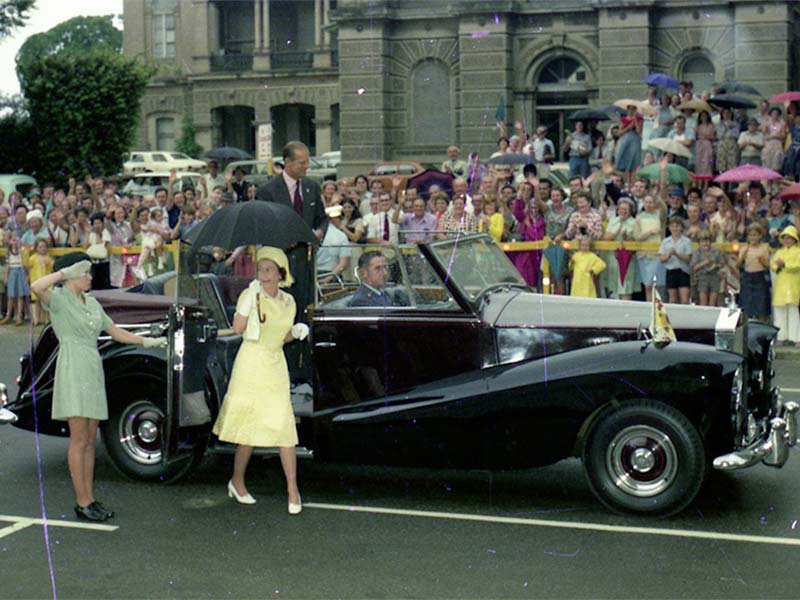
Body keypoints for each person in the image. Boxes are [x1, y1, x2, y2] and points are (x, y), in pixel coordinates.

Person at [30, 252, 167, 522]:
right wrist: (64, 272)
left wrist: (148, 342)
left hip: (92, 367)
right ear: (72, 275)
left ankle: (90, 499)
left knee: (90, 441)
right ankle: (82, 502)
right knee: (79, 440)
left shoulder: (91, 302)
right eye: (85, 272)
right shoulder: (58, 300)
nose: (90, 277)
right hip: (72, 367)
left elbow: (115, 331)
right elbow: (36, 287)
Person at [212, 247, 308, 511]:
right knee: (249, 428)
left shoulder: (289, 301)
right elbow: (238, 329)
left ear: (280, 273)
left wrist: (296, 332)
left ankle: (292, 489)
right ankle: (237, 480)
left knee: (284, 426)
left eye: (268, 270)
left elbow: (283, 336)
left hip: (275, 363)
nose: (263, 275)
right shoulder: (250, 294)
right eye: (259, 270)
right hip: (251, 363)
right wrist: (246, 302)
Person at [770, 225, 800, 346]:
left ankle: (796, 338)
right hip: (780, 285)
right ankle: (781, 337)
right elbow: (773, 266)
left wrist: (784, 264)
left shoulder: (798, 252)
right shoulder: (779, 252)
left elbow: (797, 266)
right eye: (785, 238)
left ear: (795, 239)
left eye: (790, 238)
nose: (787, 240)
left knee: (793, 312)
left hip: (793, 285)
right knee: (780, 312)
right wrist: (778, 266)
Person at [737, 223, 771, 320]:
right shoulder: (744, 248)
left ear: (760, 236)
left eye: (755, 235)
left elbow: (768, 266)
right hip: (747, 278)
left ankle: (762, 330)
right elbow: (738, 265)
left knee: (761, 307)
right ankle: (746, 330)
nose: (753, 238)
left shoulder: (764, 248)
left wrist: (762, 261)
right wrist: (743, 256)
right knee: (746, 307)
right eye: (751, 235)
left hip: (759, 278)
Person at [659, 216, 692, 304]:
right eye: (672, 226)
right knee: (672, 299)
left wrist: (677, 254)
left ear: (681, 227)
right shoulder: (665, 241)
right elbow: (661, 258)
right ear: (669, 228)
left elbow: (688, 258)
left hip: (683, 271)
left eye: (677, 226)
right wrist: (668, 255)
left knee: (685, 299)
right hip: (671, 271)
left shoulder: (686, 241)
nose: (675, 228)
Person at [25, 238, 54, 325]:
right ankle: (36, 319)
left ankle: (47, 319)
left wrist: (48, 264)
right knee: (37, 302)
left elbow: (52, 268)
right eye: (40, 247)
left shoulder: (49, 258)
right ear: (36, 248)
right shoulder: (33, 258)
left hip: (46, 284)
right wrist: (26, 252)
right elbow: (27, 263)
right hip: (36, 282)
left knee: (46, 302)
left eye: (44, 247)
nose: (43, 249)